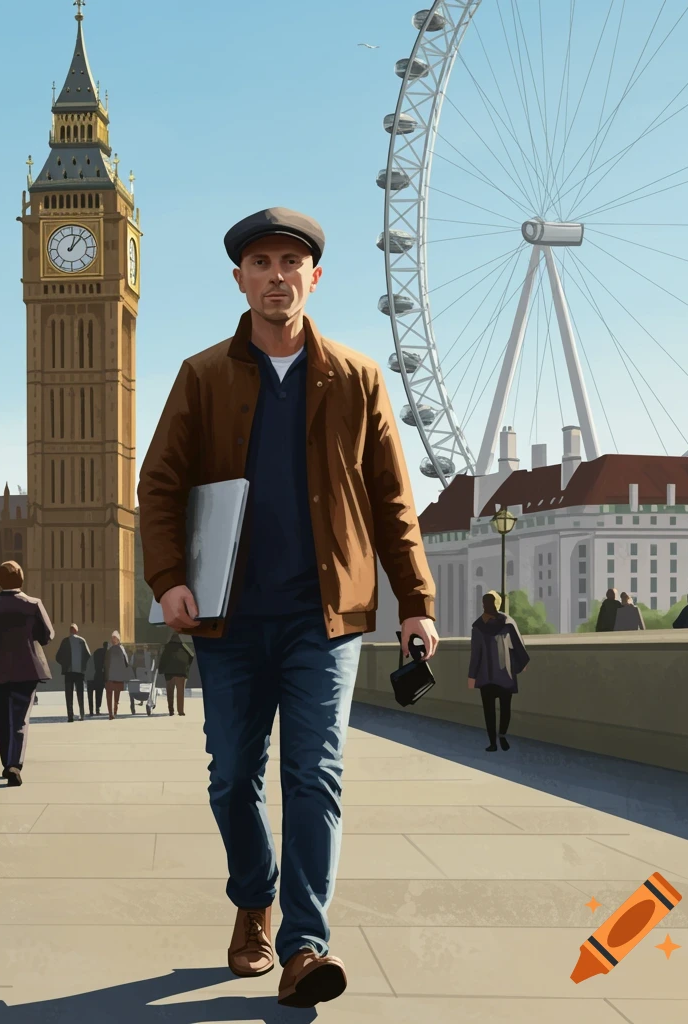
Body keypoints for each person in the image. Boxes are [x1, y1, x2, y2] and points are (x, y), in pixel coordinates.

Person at [137, 207, 438, 1008]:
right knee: (232, 778)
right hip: (228, 615)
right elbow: (159, 484)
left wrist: (415, 599)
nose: (277, 275)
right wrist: (167, 577)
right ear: (240, 278)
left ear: (315, 277)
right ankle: (253, 895)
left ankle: (306, 944)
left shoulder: (358, 377)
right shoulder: (201, 376)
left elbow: (392, 501)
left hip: (324, 616)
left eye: (291, 262)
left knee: (315, 774)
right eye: (261, 262)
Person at [0, 561, 54, 786]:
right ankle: (15, 763)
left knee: (2, 720)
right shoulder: (33, 604)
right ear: (21, 580)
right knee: (20, 719)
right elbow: (47, 635)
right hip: (27, 671)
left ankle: (7, 762)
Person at [468, 591, 529, 752]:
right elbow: (475, 653)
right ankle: (492, 741)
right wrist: (472, 676)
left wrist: (522, 662)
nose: (488, 605)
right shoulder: (478, 626)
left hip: (504, 672)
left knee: (505, 707)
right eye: (486, 601)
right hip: (487, 674)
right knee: (489, 710)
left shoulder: (507, 622)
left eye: (492, 601)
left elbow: (518, 644)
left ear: (498, 603)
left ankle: (501, 735)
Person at [55, 624, 90, 722]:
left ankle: (70, 716)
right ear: (77, 631)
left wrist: (65, 664)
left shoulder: (65, 641)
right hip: (79, 673)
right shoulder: (82, 641)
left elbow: (58, 657)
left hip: (68, 672)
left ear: (70, 631)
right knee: (80, 694)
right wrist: (83, 667)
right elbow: (88, 656)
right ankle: (82, 714)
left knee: (68, 694)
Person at [158, 631, 194, 716]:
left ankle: (171, 710)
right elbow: (191, 656)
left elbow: (162, 660)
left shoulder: (167, 648)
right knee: (180, 693)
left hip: (169, 673)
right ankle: (180, 711)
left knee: (170, 692)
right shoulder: (184, 647)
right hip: (181, 673)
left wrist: (161, 670)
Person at [104, 631, 131, 720]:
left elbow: (105, 663)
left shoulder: (110, 650)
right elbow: (127, 662)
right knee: (115, 693)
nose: (113, 640)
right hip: (118, 677)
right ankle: (113, 711)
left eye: (114, 638)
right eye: (112, 638)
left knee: (110, 694)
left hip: (110, 677)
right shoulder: (121, 649)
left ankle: (111, 712)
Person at [85, 640, 107, 716]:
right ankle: (97, 709)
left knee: (90, 695)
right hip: (99, 677)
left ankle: (91, 711)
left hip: (90, 676)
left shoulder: (97, 652)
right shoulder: (106, 654)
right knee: (99, 694)